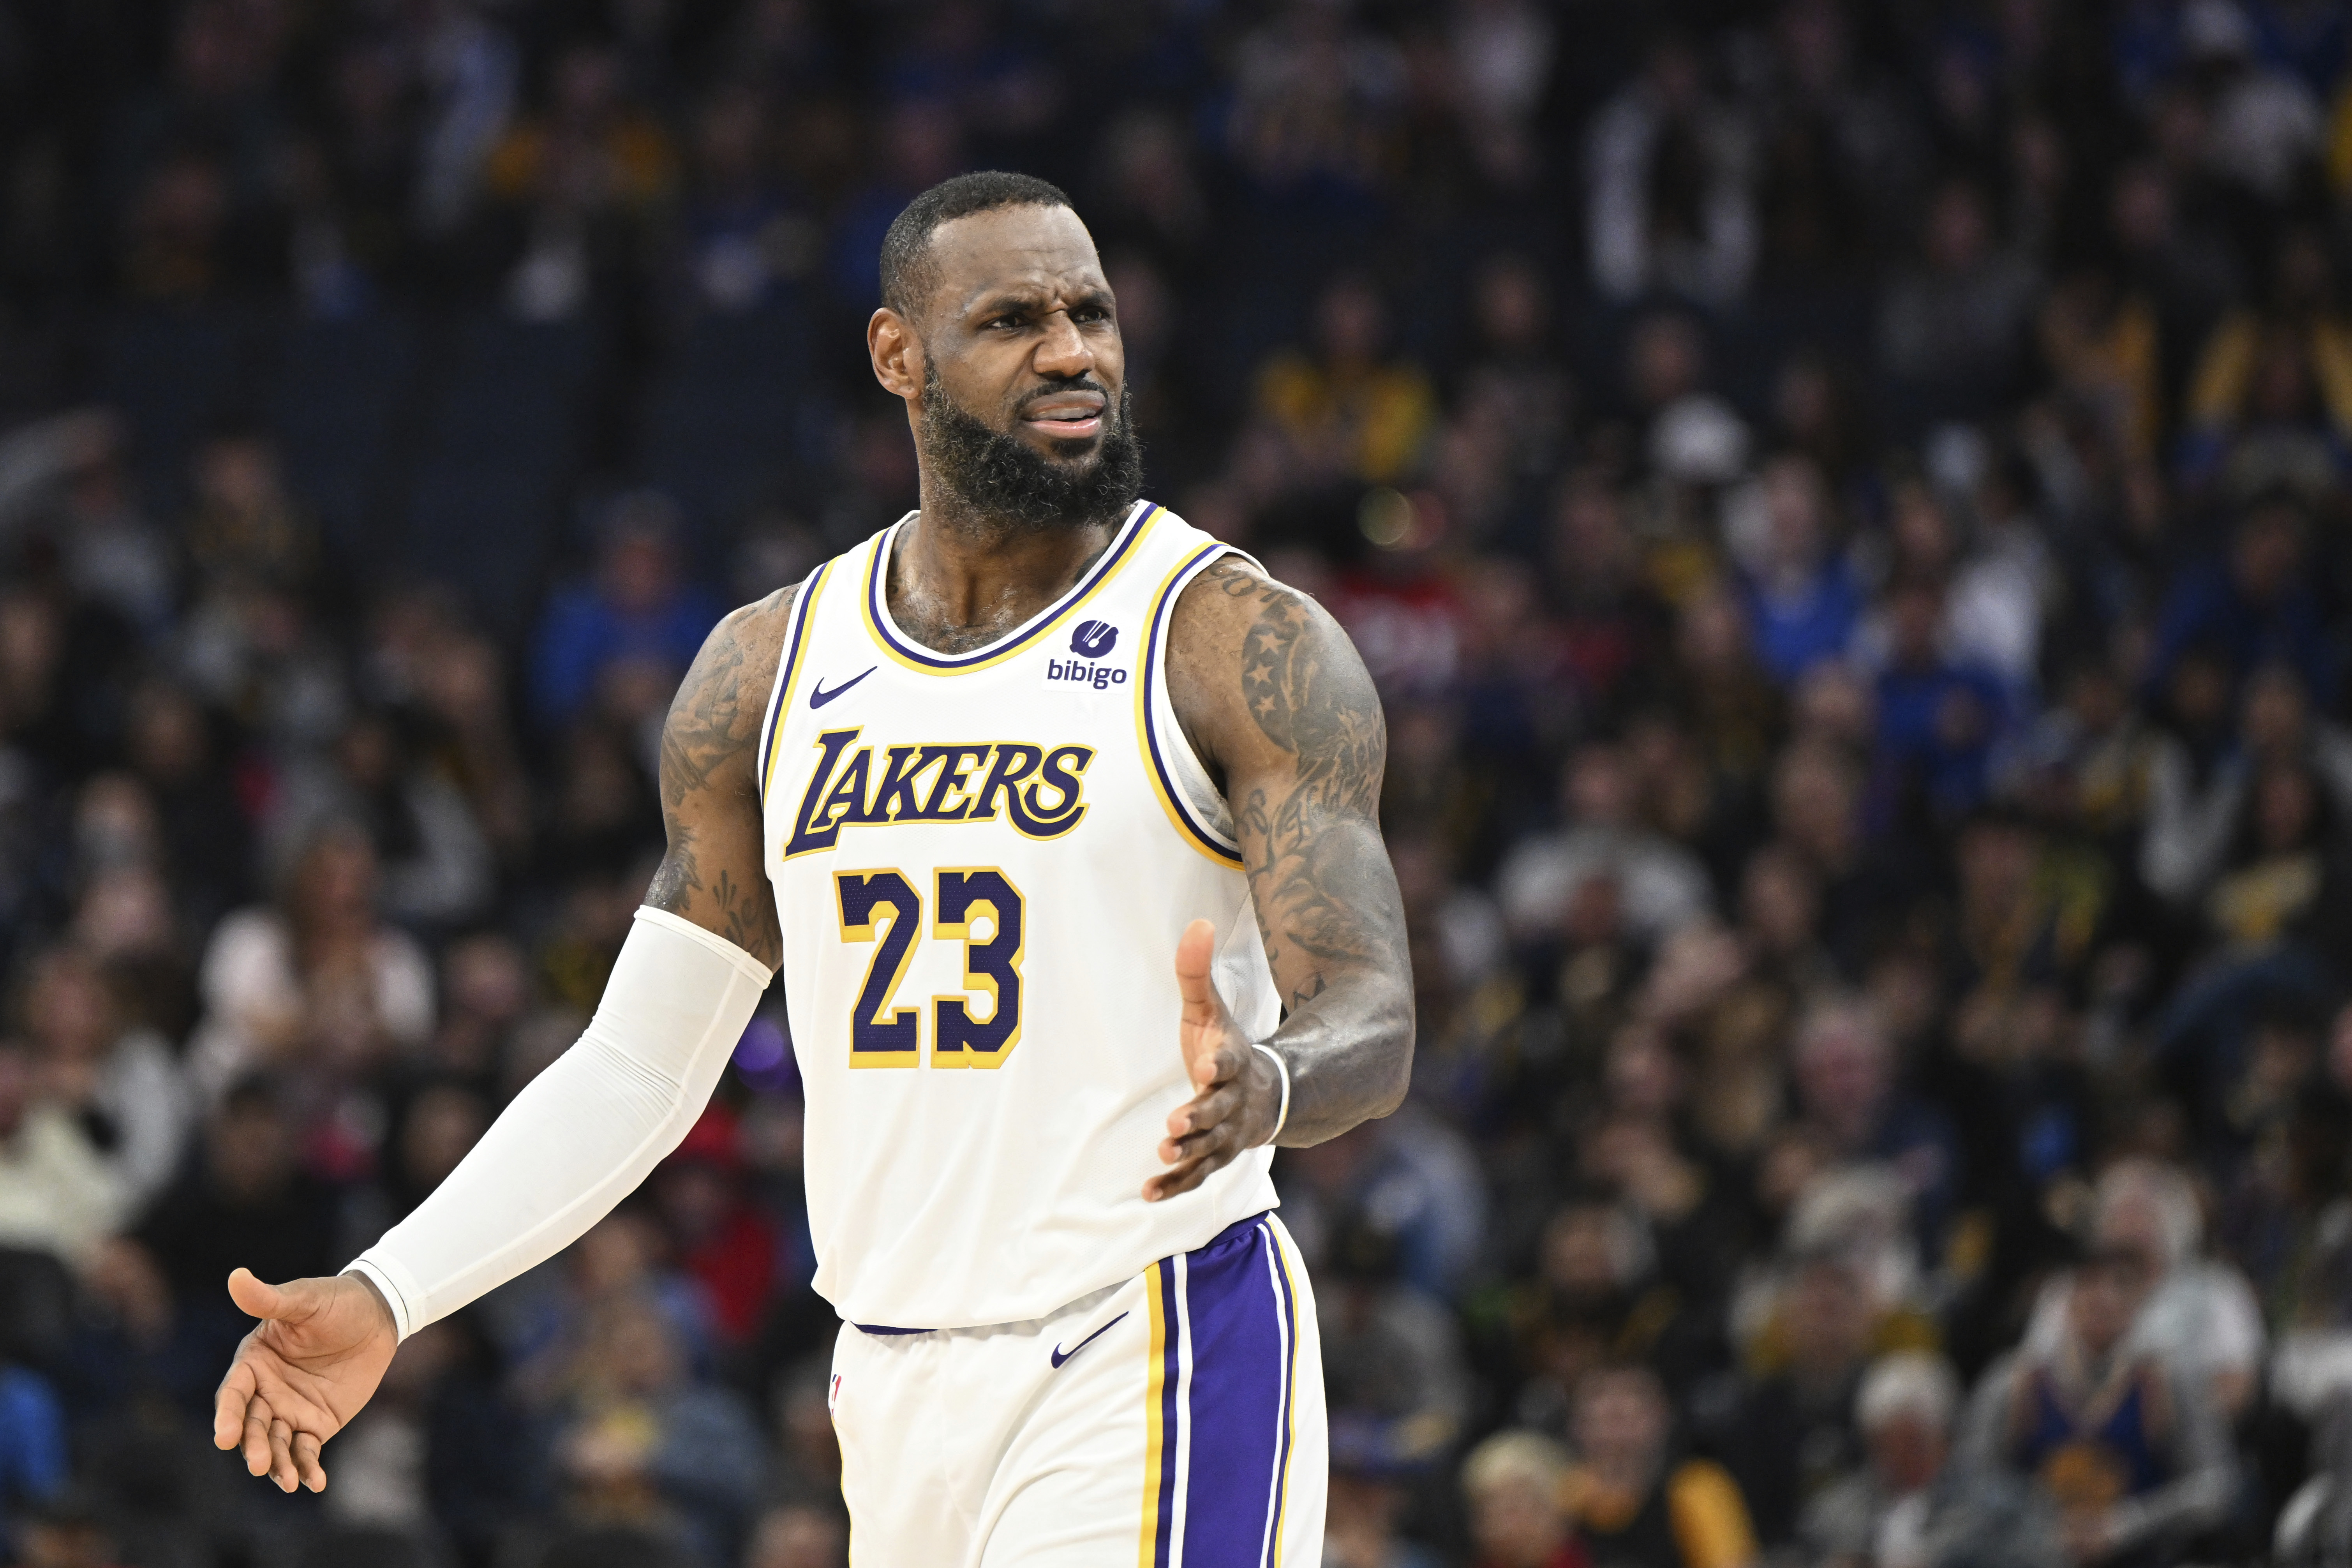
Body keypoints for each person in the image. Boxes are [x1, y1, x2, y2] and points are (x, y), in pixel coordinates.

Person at [209, 171, 1415, 1566]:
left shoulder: (1230, 640)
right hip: (891, 1375)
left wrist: (1272, 1081)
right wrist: (391, 1287)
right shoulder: (771, 666)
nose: (1074, 351)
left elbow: (1373, 1012)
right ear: (898, 355)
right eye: (1015, 318)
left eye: (1091, 312)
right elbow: (639, 1070)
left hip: (1152, 1333)